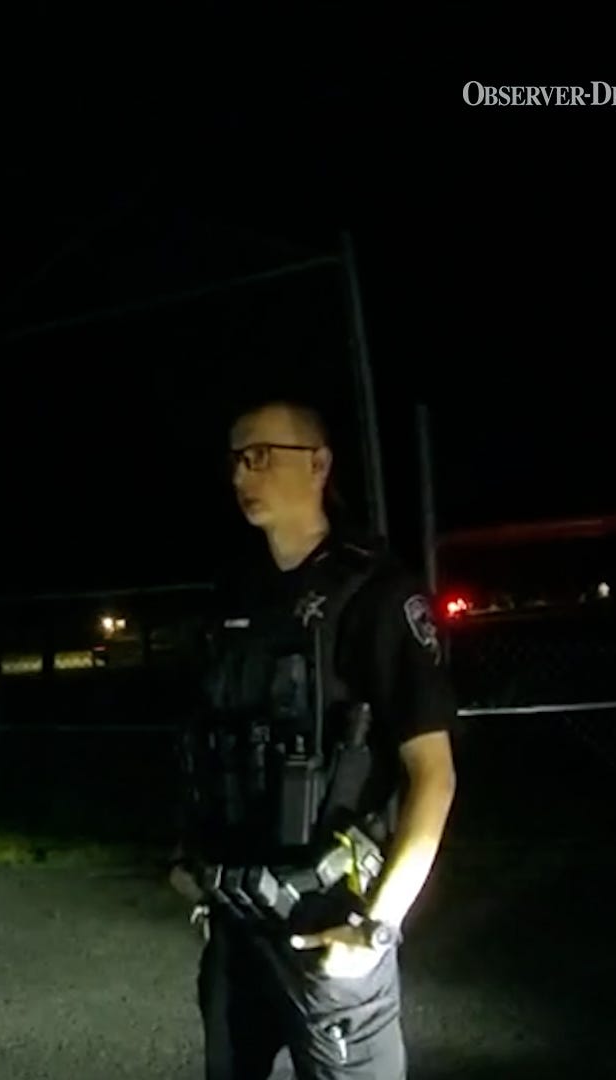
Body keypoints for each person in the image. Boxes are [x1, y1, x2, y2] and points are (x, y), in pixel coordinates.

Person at [171, 400, 458, 1080]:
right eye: (236, 460)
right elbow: (208, 740)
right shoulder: (234, 594)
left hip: (331, 920)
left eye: (261, 456)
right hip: (238, 920)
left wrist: (376, 928)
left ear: (319, 464)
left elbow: (434, 775)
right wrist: (188, 856)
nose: (243, 474)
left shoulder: (376, 595)